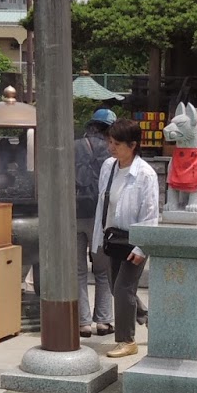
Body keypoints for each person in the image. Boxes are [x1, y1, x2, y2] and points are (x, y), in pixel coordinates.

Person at [93, 116, 159, 358]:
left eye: (117, 143)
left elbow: (151, 213)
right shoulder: (108, 167)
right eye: (110, 142)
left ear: (132, 145)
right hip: (114, 239)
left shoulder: (145, 174)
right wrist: (98, 239)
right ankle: (147, 317)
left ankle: (126, 340)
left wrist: (142, 247)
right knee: (118, 289)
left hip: (135, 240)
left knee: (122, 290)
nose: (112, 147)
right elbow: (104, 205)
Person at [74, 107, 116, 337]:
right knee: (102, 270)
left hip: (73, 214)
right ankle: (103, 321)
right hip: (99, 217)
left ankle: (82, 323)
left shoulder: (72, 146)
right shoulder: (111, 152)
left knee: (78, 271)